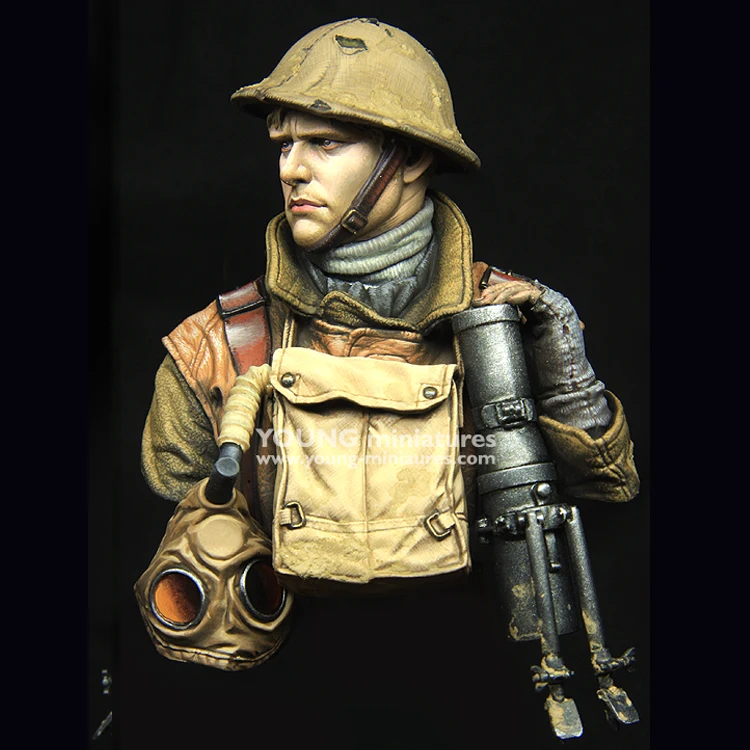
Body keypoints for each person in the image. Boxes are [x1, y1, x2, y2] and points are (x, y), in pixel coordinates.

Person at [140, 15, 638, 622]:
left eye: (325, 143)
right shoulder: (216, 348)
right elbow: (186, 533)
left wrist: (568, 385)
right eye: (284, 144)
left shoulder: (508, 324)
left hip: (474, 654)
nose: (290, 168)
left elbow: (607, 493)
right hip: (297, 661)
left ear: (410, 158)